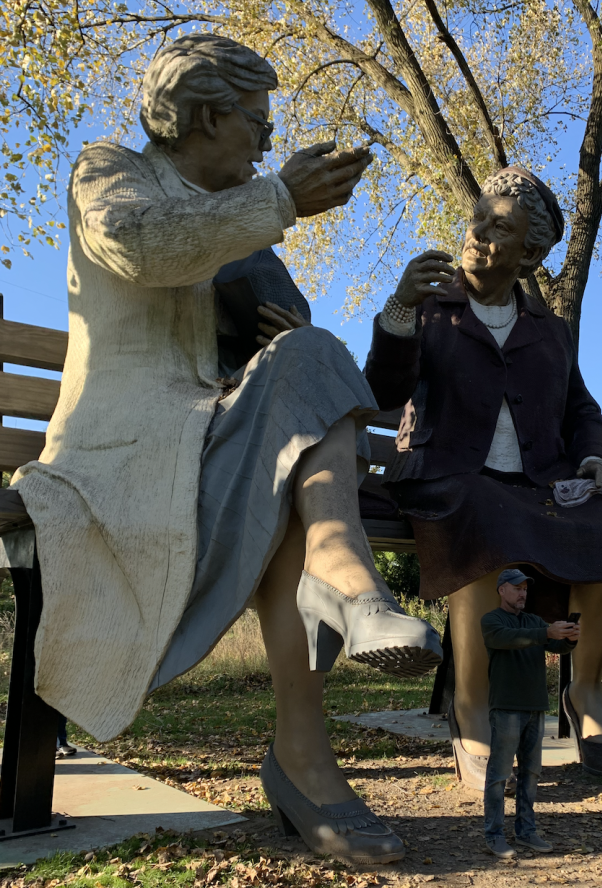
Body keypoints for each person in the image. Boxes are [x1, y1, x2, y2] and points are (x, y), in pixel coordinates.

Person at [12, 33, 442, 864]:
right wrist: (279, 197)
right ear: (207, 114)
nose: (268, 141)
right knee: (293, 495)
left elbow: (299, 353)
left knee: (311, 358)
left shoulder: (250, 229)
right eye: (257, 120)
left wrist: (279, 340)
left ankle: (337, 580)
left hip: (220, 451)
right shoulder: (111, 170)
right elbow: (137, 245)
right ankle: (305, 751)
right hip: (123, 458)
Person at [364, 166, 602, 782]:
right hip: (450, 475)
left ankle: (583, 691)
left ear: (530, 252)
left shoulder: (548, 332)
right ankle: (471, 711)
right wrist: (398, 307)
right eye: (478, 218)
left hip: (536, 486)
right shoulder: (431, 310)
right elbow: (382, 390)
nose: (476, 235)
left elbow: (581, 407)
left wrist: (593, 458)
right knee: (484, 517)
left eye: (499, 227)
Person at [481, 568, 579, 858]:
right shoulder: (492, 620)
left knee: (531, 773)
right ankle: (494, 835)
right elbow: (508, 639)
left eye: (525, 588)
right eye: (517, 588)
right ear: (502, 590)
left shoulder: (534, 621)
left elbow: (556, 645)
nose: (523, 593)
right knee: (499, 775)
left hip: (535, 707)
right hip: (506, 707)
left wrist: (570, 637)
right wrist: (545, 632)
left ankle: (526, 831)